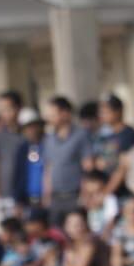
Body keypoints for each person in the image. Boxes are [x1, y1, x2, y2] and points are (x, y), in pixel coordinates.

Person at [41, 96, 94, 224]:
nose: (49, 118)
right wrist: (46, 194)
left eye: (53, 114)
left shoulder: (81, 135)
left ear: (65, 113)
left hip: (75, 196)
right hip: (55, 198)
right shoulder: (49, 139)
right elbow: (48, 168)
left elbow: (88, 166)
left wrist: (85, 193)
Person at [0, 91, 25, 221]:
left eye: (7, 109)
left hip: (27, 195)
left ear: (19, 108)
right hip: (5, 197)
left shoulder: (28, 133)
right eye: (1, 110)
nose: (4, 114)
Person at [95, 93, 134, 196]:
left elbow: (123, 167)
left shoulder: (128, 134)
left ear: (118, 112)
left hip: (123, 191)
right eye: (101, 112)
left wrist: (106, 192)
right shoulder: (103, 134)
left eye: (106, 112)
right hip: (104, 187)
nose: (102, 115)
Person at [13, 107, 46, 208]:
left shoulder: (49, 144)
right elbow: (18, 175)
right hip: (28, 200)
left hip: (47, 199)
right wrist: (18, 200)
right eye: (26, 128)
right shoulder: (22, 149)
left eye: (32, 126)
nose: (30, 130)